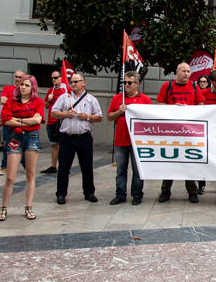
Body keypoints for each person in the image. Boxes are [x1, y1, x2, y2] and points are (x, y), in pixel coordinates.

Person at [0, 75, 44, 221]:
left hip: (31, 137)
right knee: (10, 176)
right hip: (15, 138)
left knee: (30, 175)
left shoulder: (38, 101)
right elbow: (5, 120)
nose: (23, 87)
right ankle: (3, 208)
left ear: (33, 88)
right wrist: (27, 122)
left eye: (27, 85)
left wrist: (17, 120)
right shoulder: (11, 101)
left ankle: (28, 207)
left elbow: (38, 120)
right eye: (22, 84)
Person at [51, 73, 104, 204]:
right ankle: (61, 193)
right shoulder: (64, 97)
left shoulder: (91, 99)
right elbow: (53, 112)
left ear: (83, 82)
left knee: (86, 166)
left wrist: (87, 117)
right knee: (64, 167)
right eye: (71, 82)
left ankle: (89, 192)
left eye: (76, 81)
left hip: (84, 137)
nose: (73, 84)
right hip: (67, 137)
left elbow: (99, 117)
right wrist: (66, 114)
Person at [156, 62, 204, 203]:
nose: (186, 74)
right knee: (170, 160)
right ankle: (165, 191)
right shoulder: (167, 86)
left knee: (189, 161)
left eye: (188, 71)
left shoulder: (194, 86)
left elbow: (201, 106)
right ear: (177, 72)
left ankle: (192, 191)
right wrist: (172, 107)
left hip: (189, 132)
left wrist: (188, 109)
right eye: (184, 71)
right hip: (171, 131)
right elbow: (158, 105)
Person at [107, 71, 152, 205]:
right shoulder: (117, 98)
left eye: (129, 83)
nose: (126, 85)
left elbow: (150, 119)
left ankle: (137, 195)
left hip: (138, 142)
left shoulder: (145, 99)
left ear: (137, 84)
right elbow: (109, 117)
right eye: (124, 82)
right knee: (121, 170)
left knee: (137, 170)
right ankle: (120, 194)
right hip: (120, 140)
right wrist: (119, 112)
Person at [40, 70, 68, 174]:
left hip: (60, 121)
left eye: (55, 77)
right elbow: (46, 106)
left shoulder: (65, 90)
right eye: (52, 78)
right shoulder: (50, 91)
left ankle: (63, 166)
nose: (53, 80)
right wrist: (48, 100)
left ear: (61, 78)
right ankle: (53, 166)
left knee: (62, 145)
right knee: (54, 145)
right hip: (51, 121)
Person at [0, 70, 26, 175]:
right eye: (16, 77)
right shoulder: (7, 88)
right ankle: (4, 166)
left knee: (22, 144)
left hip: (22, 120)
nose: (18, 79)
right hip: (9, 121)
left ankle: (25, 165)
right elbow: (3, 100)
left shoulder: (26, 88)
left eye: (20, 77)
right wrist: (17, 104)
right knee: (8, 144)